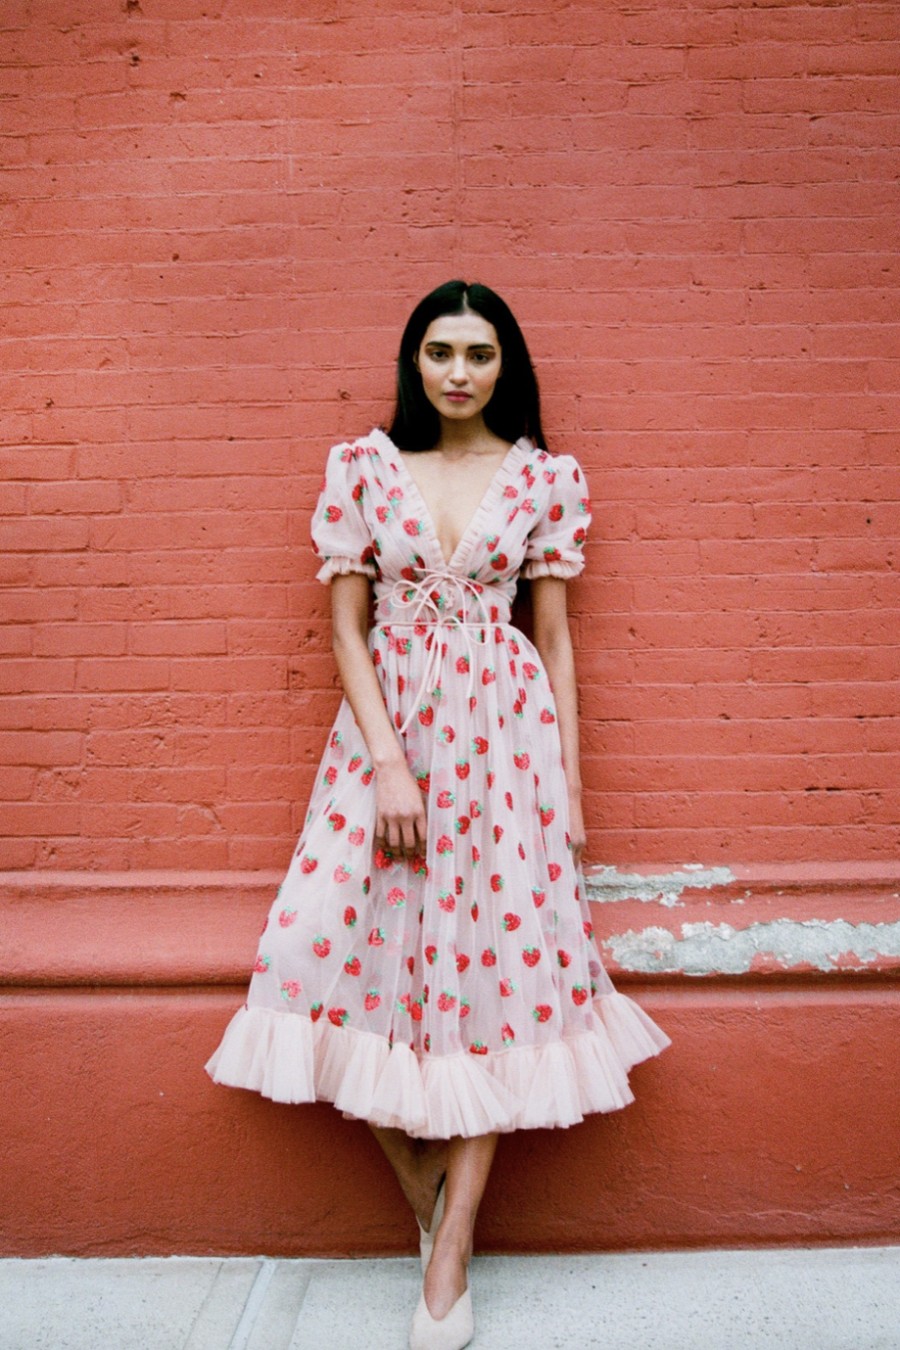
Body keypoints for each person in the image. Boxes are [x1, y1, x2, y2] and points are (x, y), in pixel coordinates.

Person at [206, 279, 670, 1350]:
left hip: (507, 754)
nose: (460, 371)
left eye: (481, 353)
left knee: (495, 992)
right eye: (441, 352)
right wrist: (388, 766)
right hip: (390, 745)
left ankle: (450, 1249)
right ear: (413, 362)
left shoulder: (544, 479)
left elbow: (553, 641)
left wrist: (570, 789)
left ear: (506, 366)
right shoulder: (365, 468)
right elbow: (344, 632)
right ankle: (426, 1194)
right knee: (317, 956)